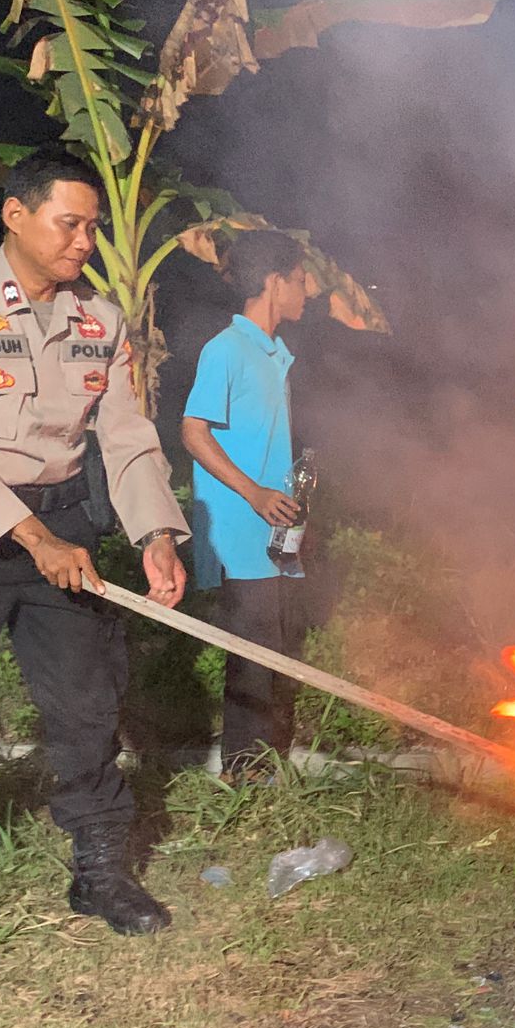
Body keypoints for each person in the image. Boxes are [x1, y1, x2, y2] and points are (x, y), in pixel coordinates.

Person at [0, 148, 190, 963]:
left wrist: (155, 535)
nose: (84, 243)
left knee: (86, 702)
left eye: (94, 227)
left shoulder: (100, 320)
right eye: (70, 223)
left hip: (65, 512)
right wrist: (32, 539)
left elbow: (128, 436)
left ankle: (100, 870)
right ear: (16, 215)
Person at [181, 231, 313, 777]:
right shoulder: (227, 349)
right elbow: (192, 431)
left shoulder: (274, 353)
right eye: (301, 280)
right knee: (254, 656)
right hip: (239, 532)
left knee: (272, 650)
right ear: (274, 282)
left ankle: (263, 762)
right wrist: (253, 492)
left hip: (273, 534)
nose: (308, 291)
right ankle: (244, 770)